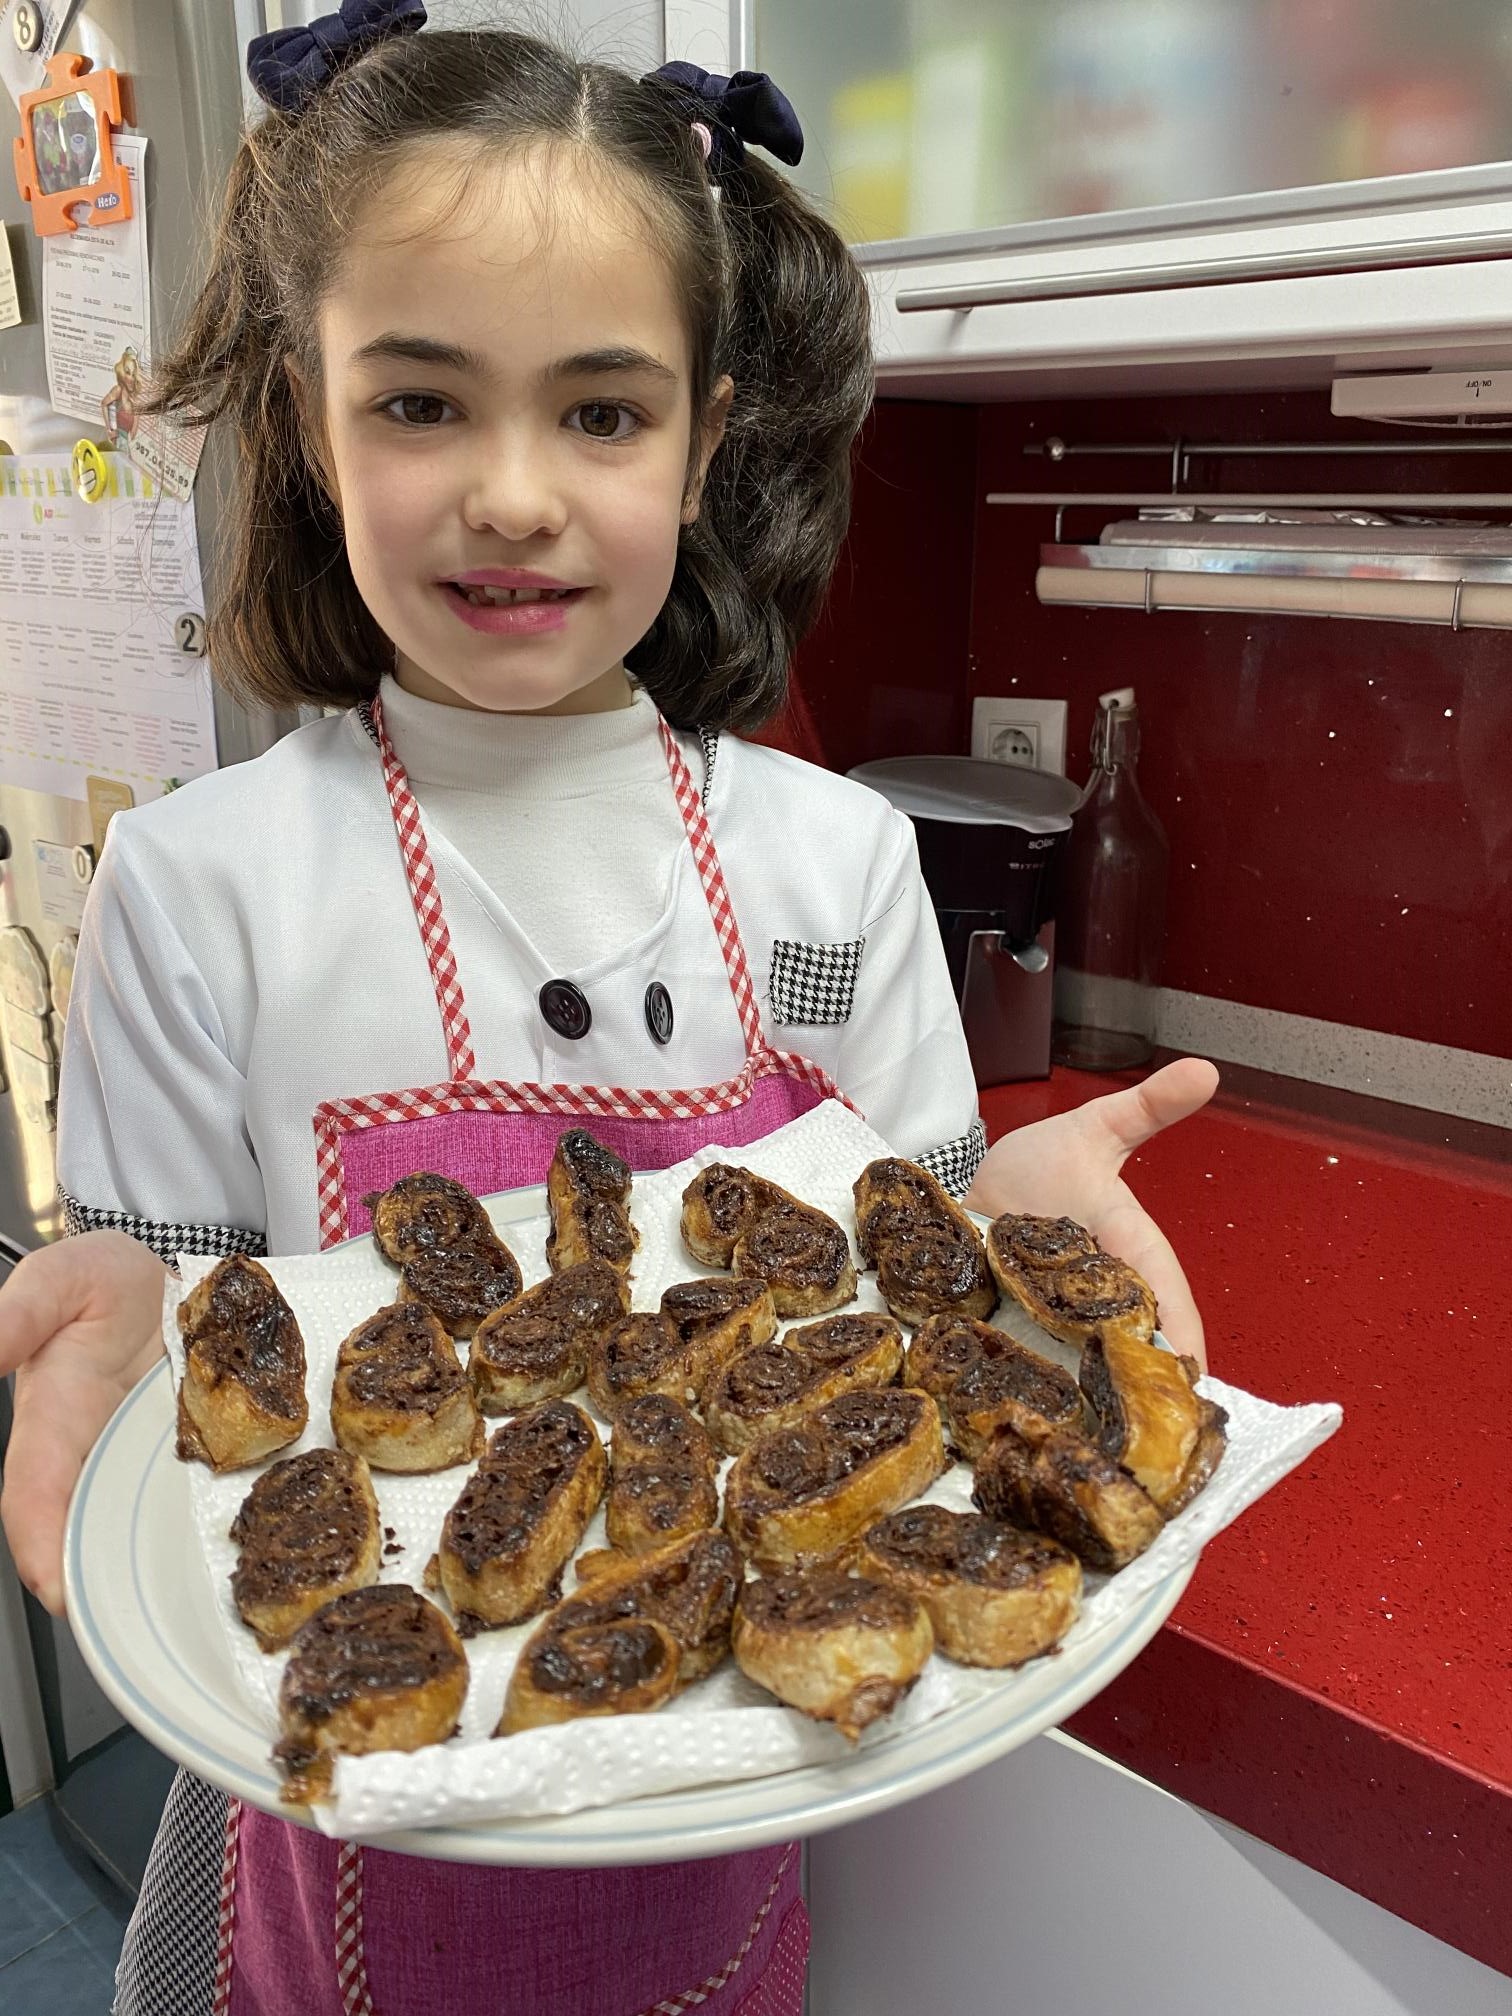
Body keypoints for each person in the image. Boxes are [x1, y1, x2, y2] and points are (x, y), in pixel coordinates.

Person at [0, 8, 1220, 2012]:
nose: (511, 495)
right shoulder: (204, 888)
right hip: (347, 1856)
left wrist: (1002, 1192)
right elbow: (193, 1301)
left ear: (705, 433)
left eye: (599, 413)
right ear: (310, 421)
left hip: (722, 1815)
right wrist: (124, 1287)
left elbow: (893, 1214)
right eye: (418, 405)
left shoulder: (818, 876)